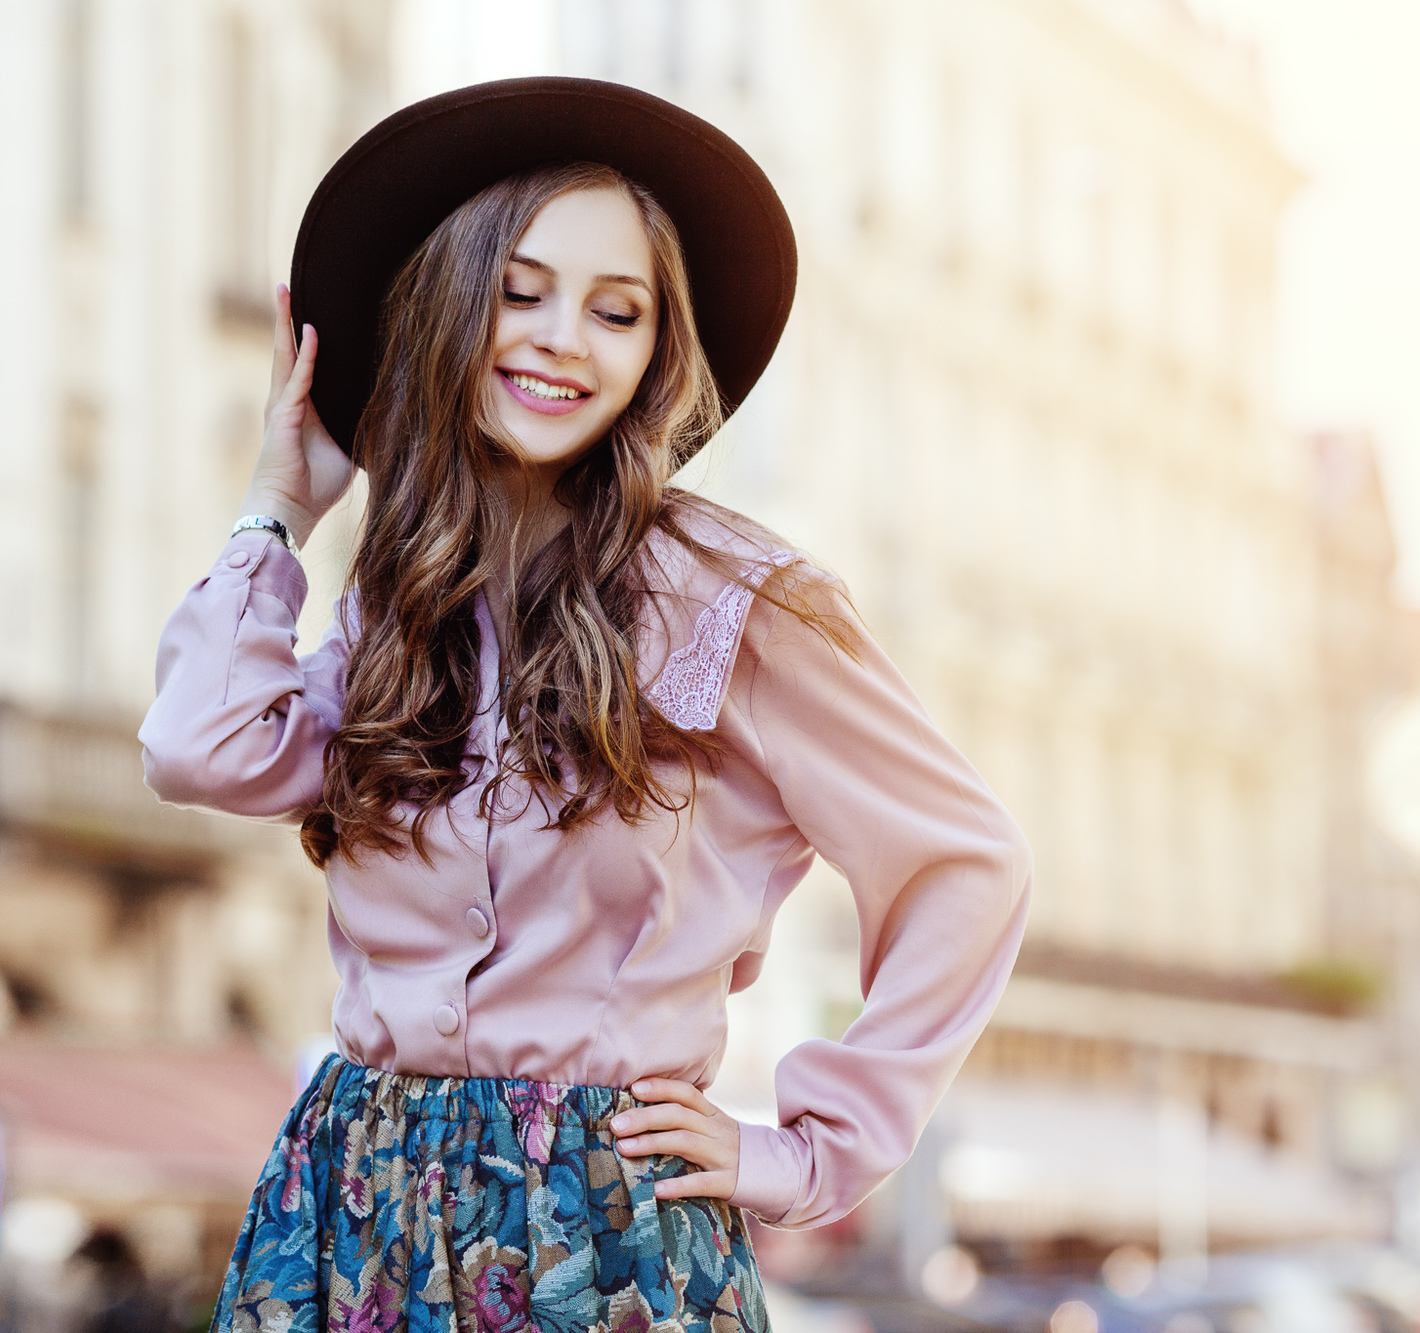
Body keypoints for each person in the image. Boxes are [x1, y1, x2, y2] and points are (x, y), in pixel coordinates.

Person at [136, 76, 1034, 1333]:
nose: (565, 339)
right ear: (448, 306)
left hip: (603, 1223)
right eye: (520, 292)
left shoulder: (740, 600)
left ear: (656, 352)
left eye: (618, 311)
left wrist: (807, 1149)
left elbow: (966, 863)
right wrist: (276, 513)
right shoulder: (401, 596)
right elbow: (201, 749)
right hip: (353, 1204)